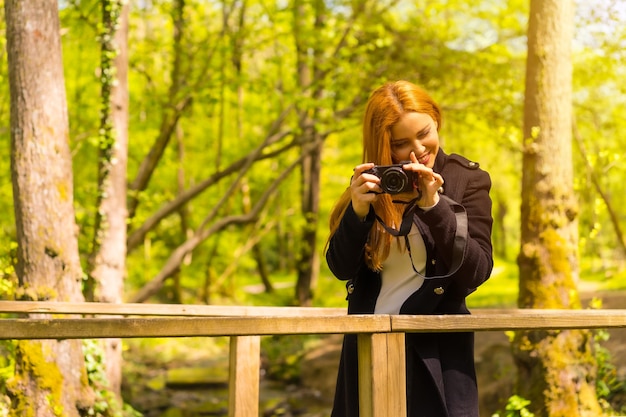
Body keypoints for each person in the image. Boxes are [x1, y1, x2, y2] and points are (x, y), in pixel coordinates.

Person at [325, 80, 494, 417]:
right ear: (382, 145)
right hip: (368, 344)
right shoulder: (373, 184)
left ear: (437, 120)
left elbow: (477, 270)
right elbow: (340, 268)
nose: (418, 150)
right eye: (401, 143)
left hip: (437, 350)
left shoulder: (465, 180)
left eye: (425, 133)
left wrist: (435, 206)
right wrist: (358, 212)